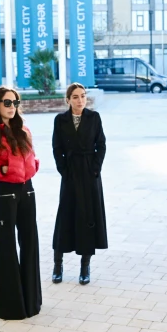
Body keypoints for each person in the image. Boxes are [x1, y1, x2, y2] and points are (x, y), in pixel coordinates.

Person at [0, 87, 41, 320]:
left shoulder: (23, 129)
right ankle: (11, 307)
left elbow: (31, 156)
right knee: (7, 246)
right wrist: (2, 169)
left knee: (30, 242)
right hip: (4, 193)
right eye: (7, 102)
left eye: (15, 102)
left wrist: (33, 165)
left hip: (27, 190)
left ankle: (31, 301)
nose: (12, 107)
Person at [51, 83, 108, 285]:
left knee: (88, 217)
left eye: (83, 96)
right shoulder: (60, 120)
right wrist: (64, 171)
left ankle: (85, 267)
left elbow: (101, 145)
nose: (80, 100)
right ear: (68, 100)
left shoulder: (94, 118)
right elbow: (57, 148)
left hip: (90, 174)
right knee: (65, 216)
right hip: (70, 173)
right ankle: (58, 265)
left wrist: (95, 169)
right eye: (75, 97)